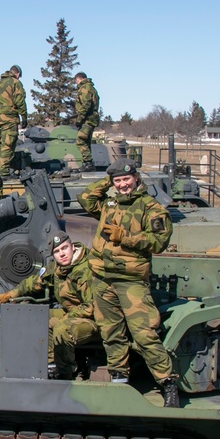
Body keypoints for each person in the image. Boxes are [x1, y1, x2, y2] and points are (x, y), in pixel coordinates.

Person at [78, 158, 179, 408]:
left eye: (126, 179)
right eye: (118, 181)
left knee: (144, 335)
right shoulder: (108, 204)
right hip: (102, 277)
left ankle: (167, 383)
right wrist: (107, 177)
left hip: (130, 280)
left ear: (136, 178)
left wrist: (125, 237)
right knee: (111, 333)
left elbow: (159, 241)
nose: (123, 185)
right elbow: (86, 198)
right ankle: (119, 380)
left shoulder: (150, 208)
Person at [0, 230, 99, 380]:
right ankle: (50, 364)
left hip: (92, 320)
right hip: (72, 313)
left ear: (72, 247)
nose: (62, 254)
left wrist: (67, 317)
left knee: (61, 327)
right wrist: (10, 294)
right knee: (38, 317)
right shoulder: (58, 269)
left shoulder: (86, 270)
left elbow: (90, 307)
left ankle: (65, 372)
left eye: (65, 248)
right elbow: (35, 282)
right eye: (57, 251)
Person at [0, 65, 28, 177]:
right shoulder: (15, 83)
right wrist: (24, 117)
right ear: (17, 74)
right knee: (8, 144)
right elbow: (19, 101)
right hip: (9, 118)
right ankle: (4, 172)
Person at [74, 72, 101, 172]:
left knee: (80, 140)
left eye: (76, 81)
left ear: (78, 79)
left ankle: (88, 162)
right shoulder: (91, 88)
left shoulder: (85, 88)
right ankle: (87, 164)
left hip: (87, 119)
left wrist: (80, 118)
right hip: (92, 119)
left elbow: (86, 104)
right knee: (86, 141)